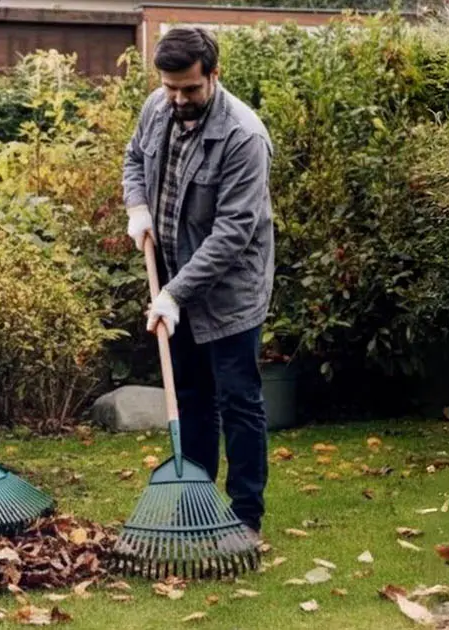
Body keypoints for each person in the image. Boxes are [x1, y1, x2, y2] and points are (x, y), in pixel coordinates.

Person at [121, 26, 275, 535]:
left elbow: (233, 233)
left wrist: (175, 293)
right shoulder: (157, 108)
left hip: (230, 291)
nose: (179, 99)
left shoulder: (243, 137)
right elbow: (134, 158)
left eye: (190, 88)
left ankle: (246, 515)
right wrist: (137, 206)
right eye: (170, 87)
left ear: (214, 74)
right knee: (191, 395)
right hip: (172, 278)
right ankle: (197, 505)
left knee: (238, 401)